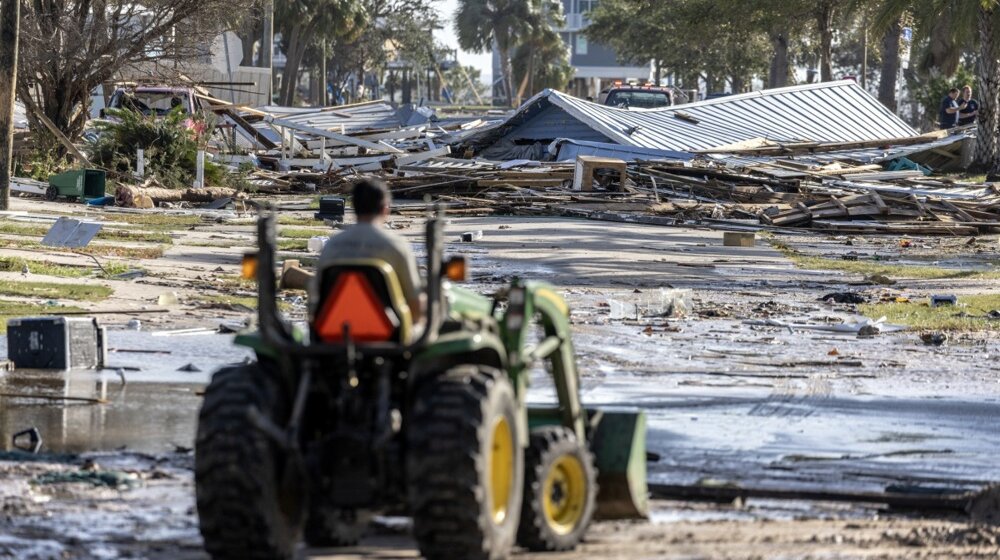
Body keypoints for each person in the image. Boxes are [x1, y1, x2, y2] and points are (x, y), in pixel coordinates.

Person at [316, 179, 423, 322]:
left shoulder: (332, 245)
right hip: (388, 338)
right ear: (386, 209)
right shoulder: (396, 246)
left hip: (336, 334)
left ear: (354, 208)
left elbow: (316, 299)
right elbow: (414, 304)